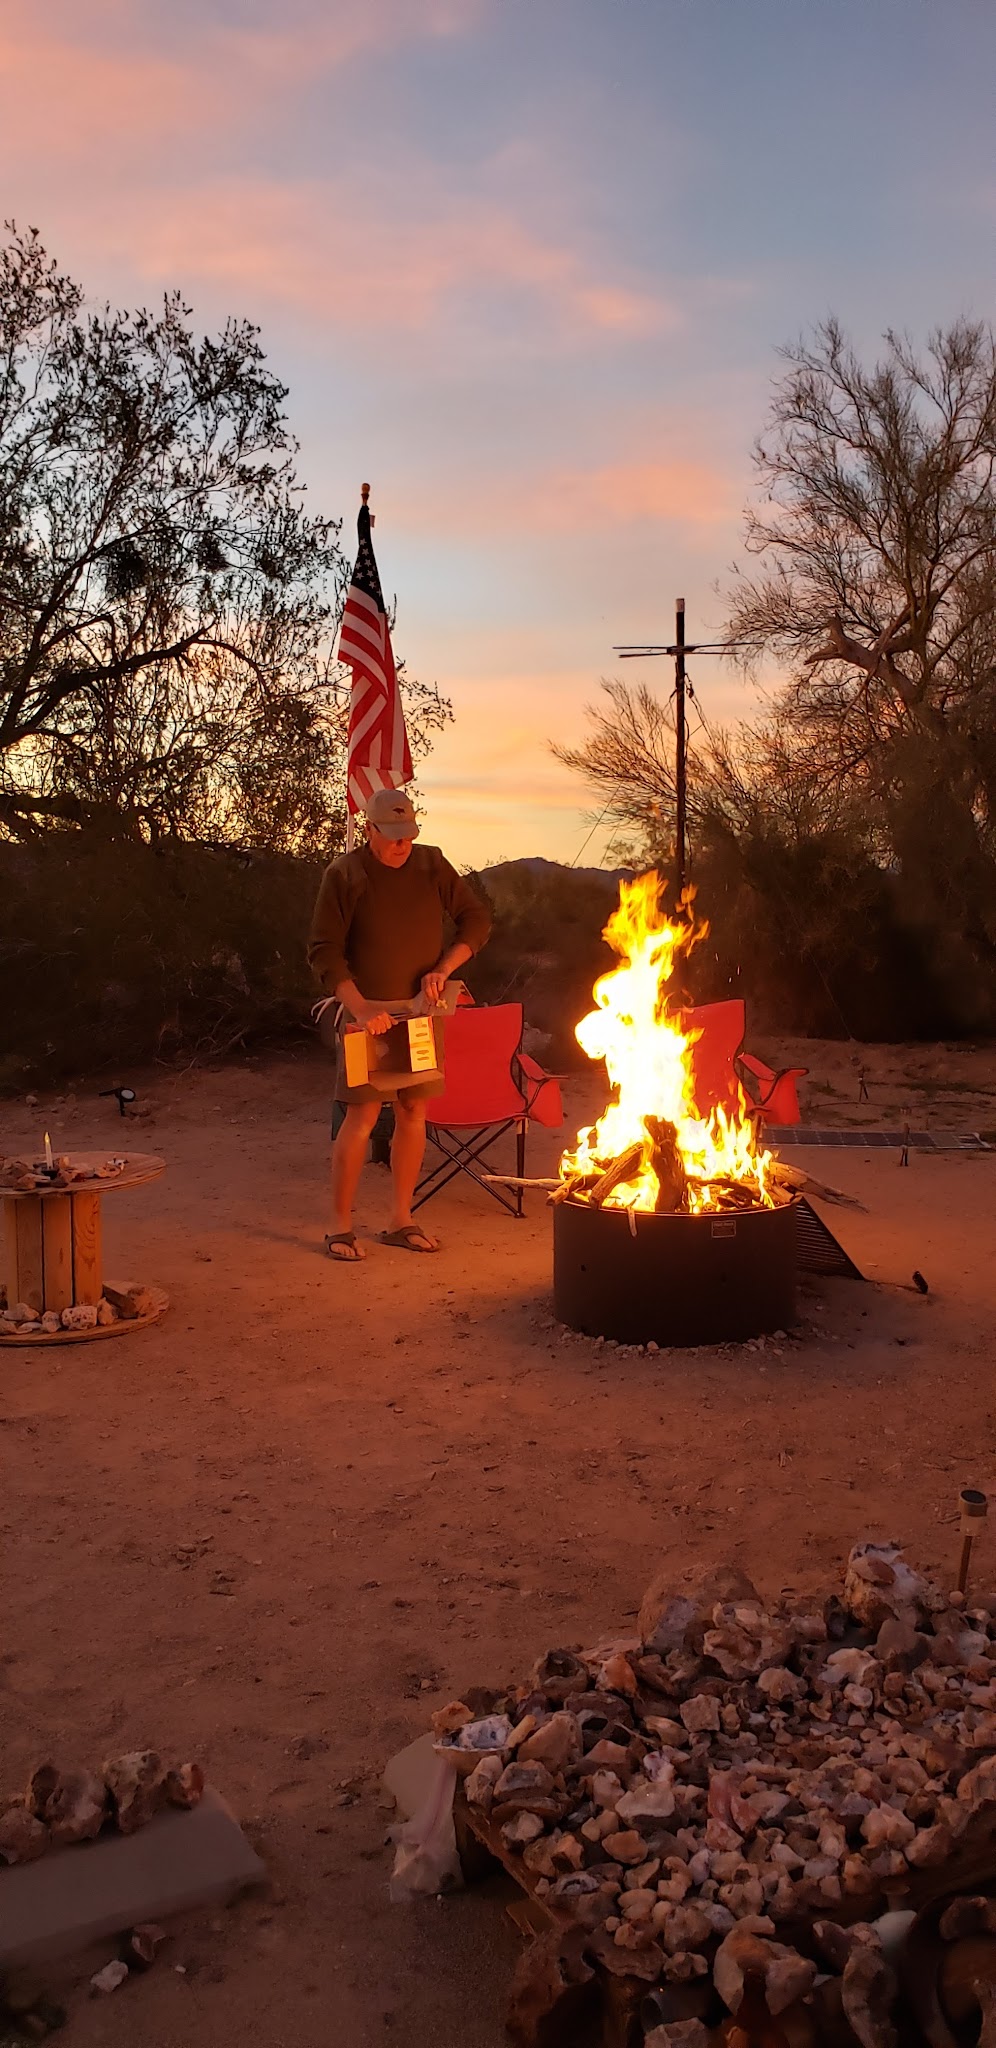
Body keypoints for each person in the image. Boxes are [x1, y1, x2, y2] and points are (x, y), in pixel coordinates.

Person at [308, 789, 491, 1261]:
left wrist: (445, 968)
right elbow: (324, 952)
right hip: (368, 1014)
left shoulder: (432, 866)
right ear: (368, 829)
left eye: (408, 835)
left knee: (413, 1112)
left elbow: (475, 920)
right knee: (363, 1115)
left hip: (422, 1010)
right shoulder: (345, 875)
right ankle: (339, 1226)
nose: (400, 845)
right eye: (391, 837)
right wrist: (361, 1008)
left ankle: (399, 1219)